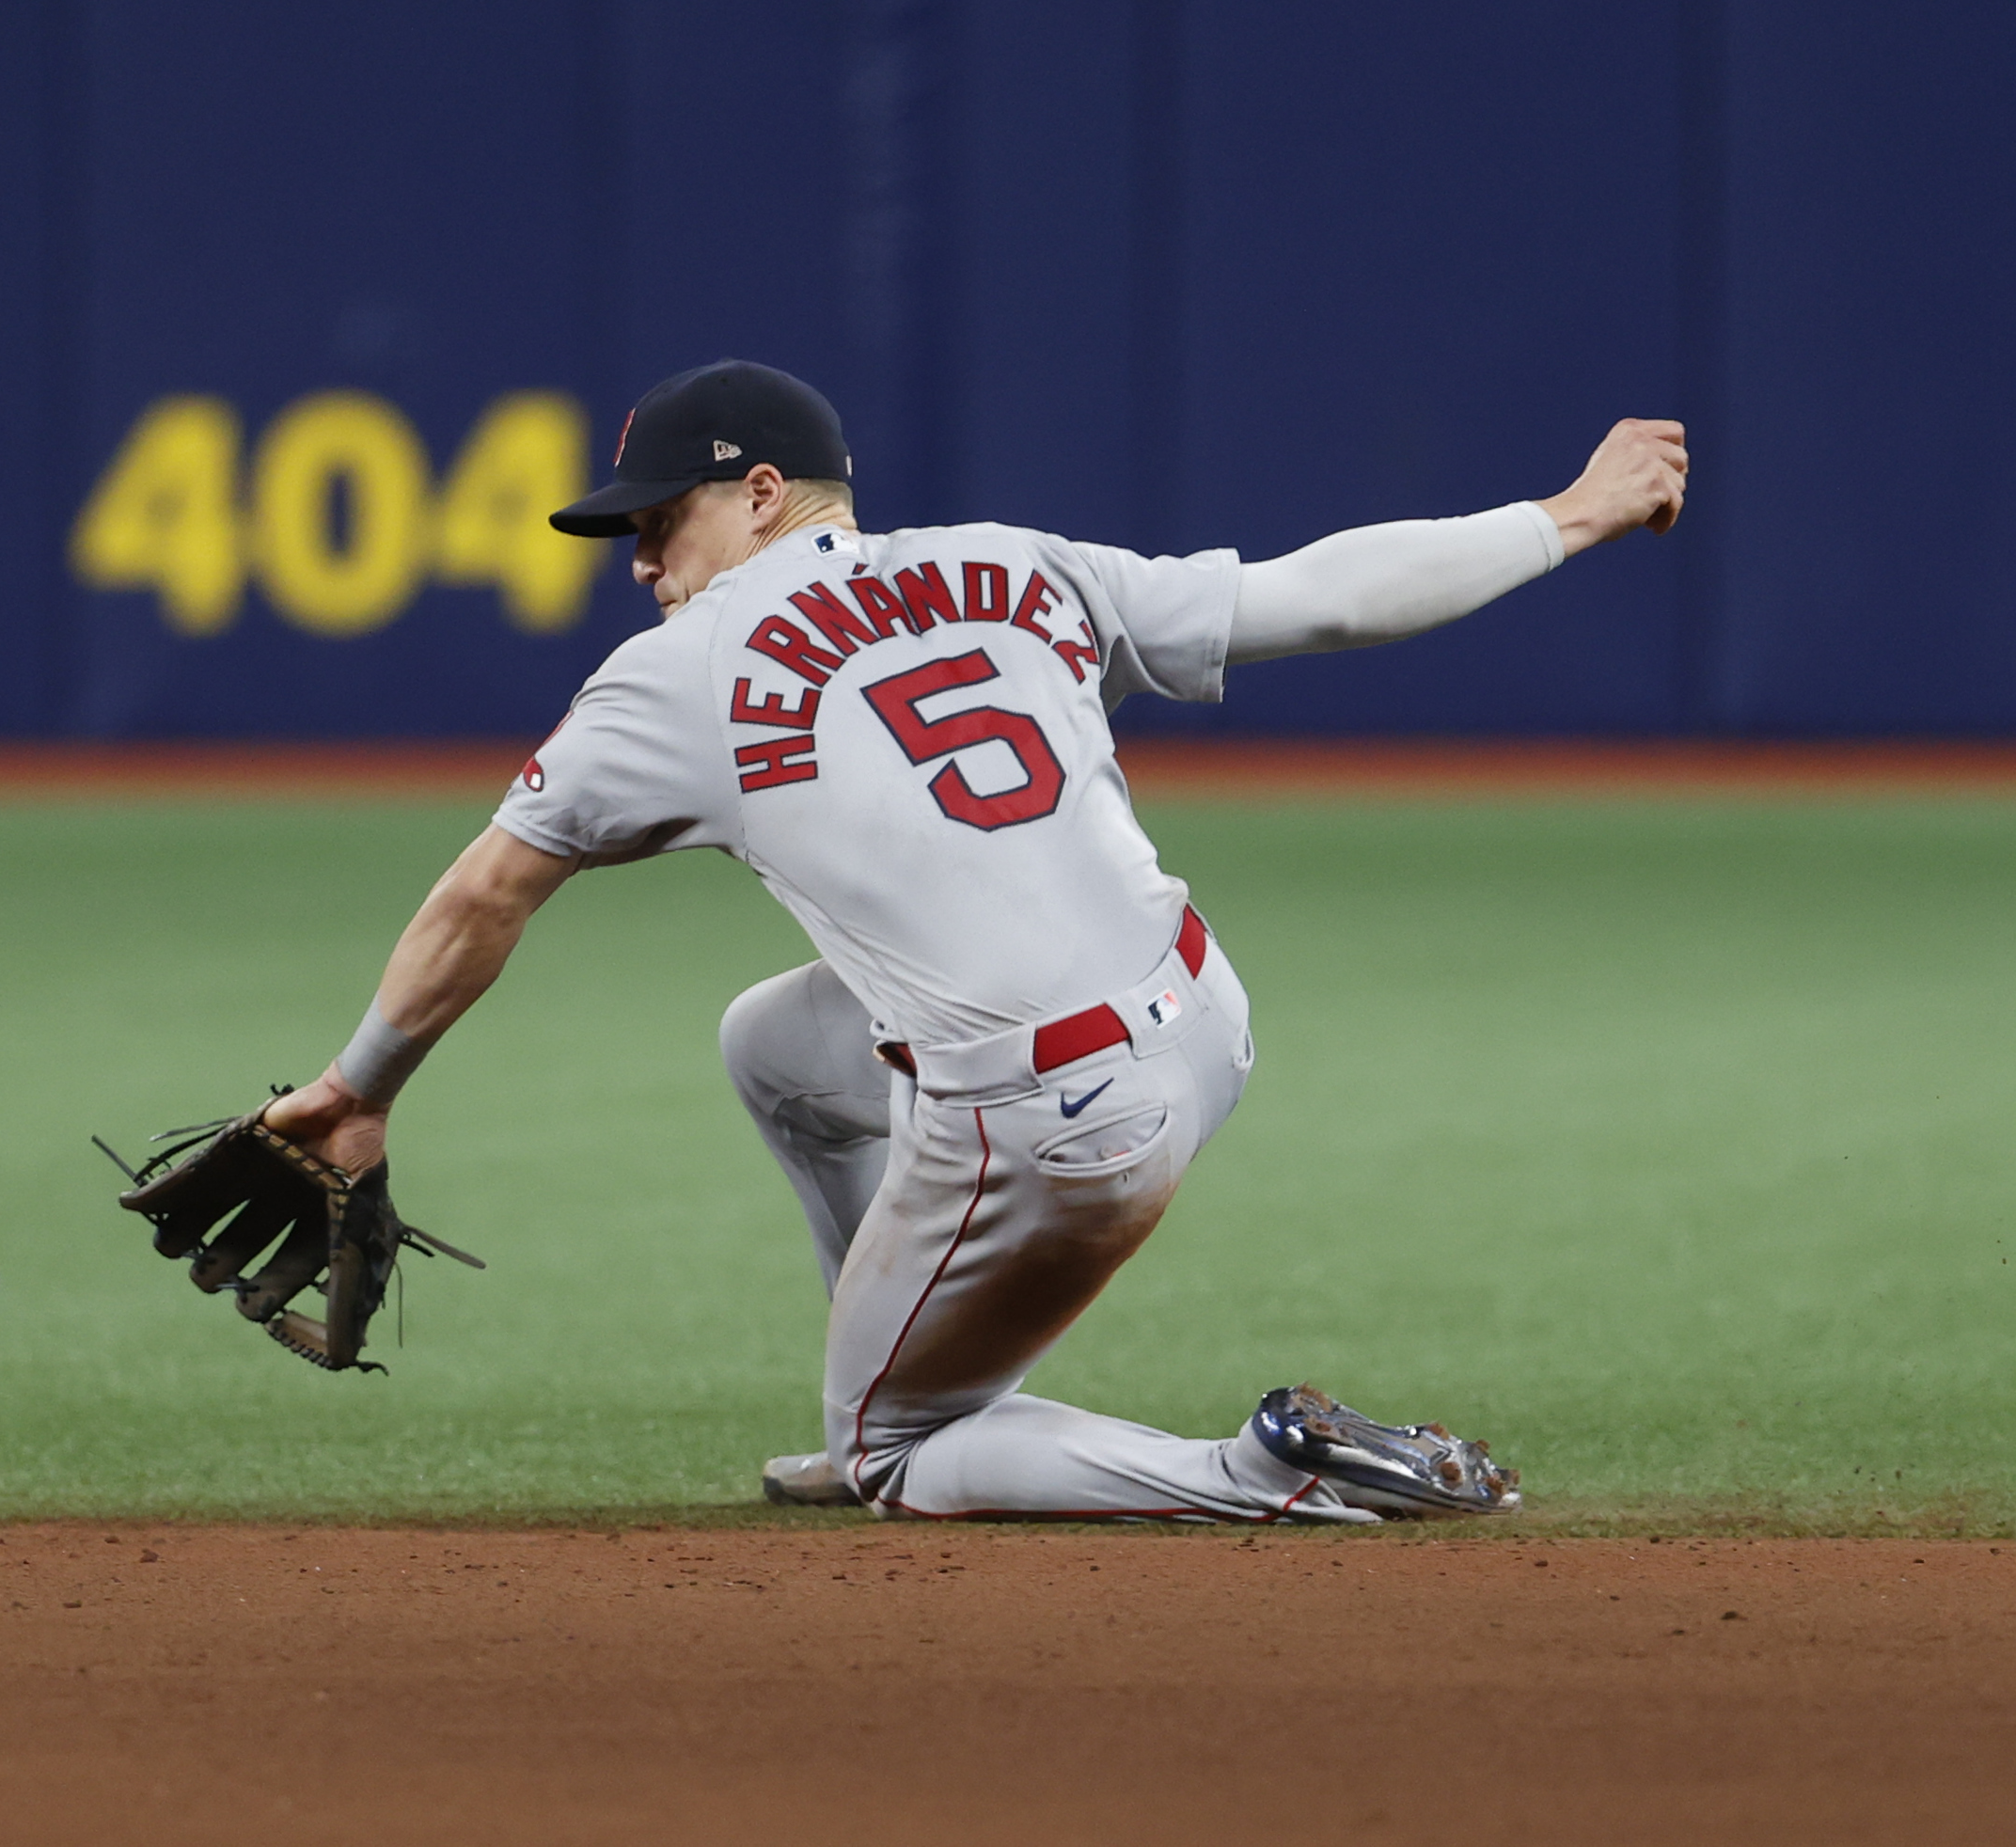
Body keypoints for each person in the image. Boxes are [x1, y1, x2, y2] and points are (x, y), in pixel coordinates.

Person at [260, 357, 1684, 1523]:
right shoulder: (1016, 563)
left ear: (759, 496)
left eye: (654, 522)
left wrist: (360, 1086)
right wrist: (1566, 513)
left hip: (1054, 1118)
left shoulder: (674, 674)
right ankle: (888, 1366)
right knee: (774, 1044)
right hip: (1204, 1018)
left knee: (900, 1461)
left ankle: (1249, 1476)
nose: (636, 562)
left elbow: (480, 897)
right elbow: (1317, 593)